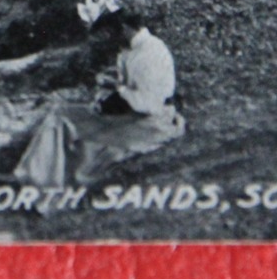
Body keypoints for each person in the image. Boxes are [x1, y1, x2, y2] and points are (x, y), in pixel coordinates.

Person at [13, 10, 184, 186]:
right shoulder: (130, 50)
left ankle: (43, 182)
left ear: (124, 28)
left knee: (79, 131)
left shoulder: (151, 52)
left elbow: (147, 103)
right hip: (132, 113)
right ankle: (30, 174)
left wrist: (114, 95)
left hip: (150, 122)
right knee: (59, 113)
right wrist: (109, 91)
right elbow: (126, 88)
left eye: (110, 34)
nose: (110, 40)